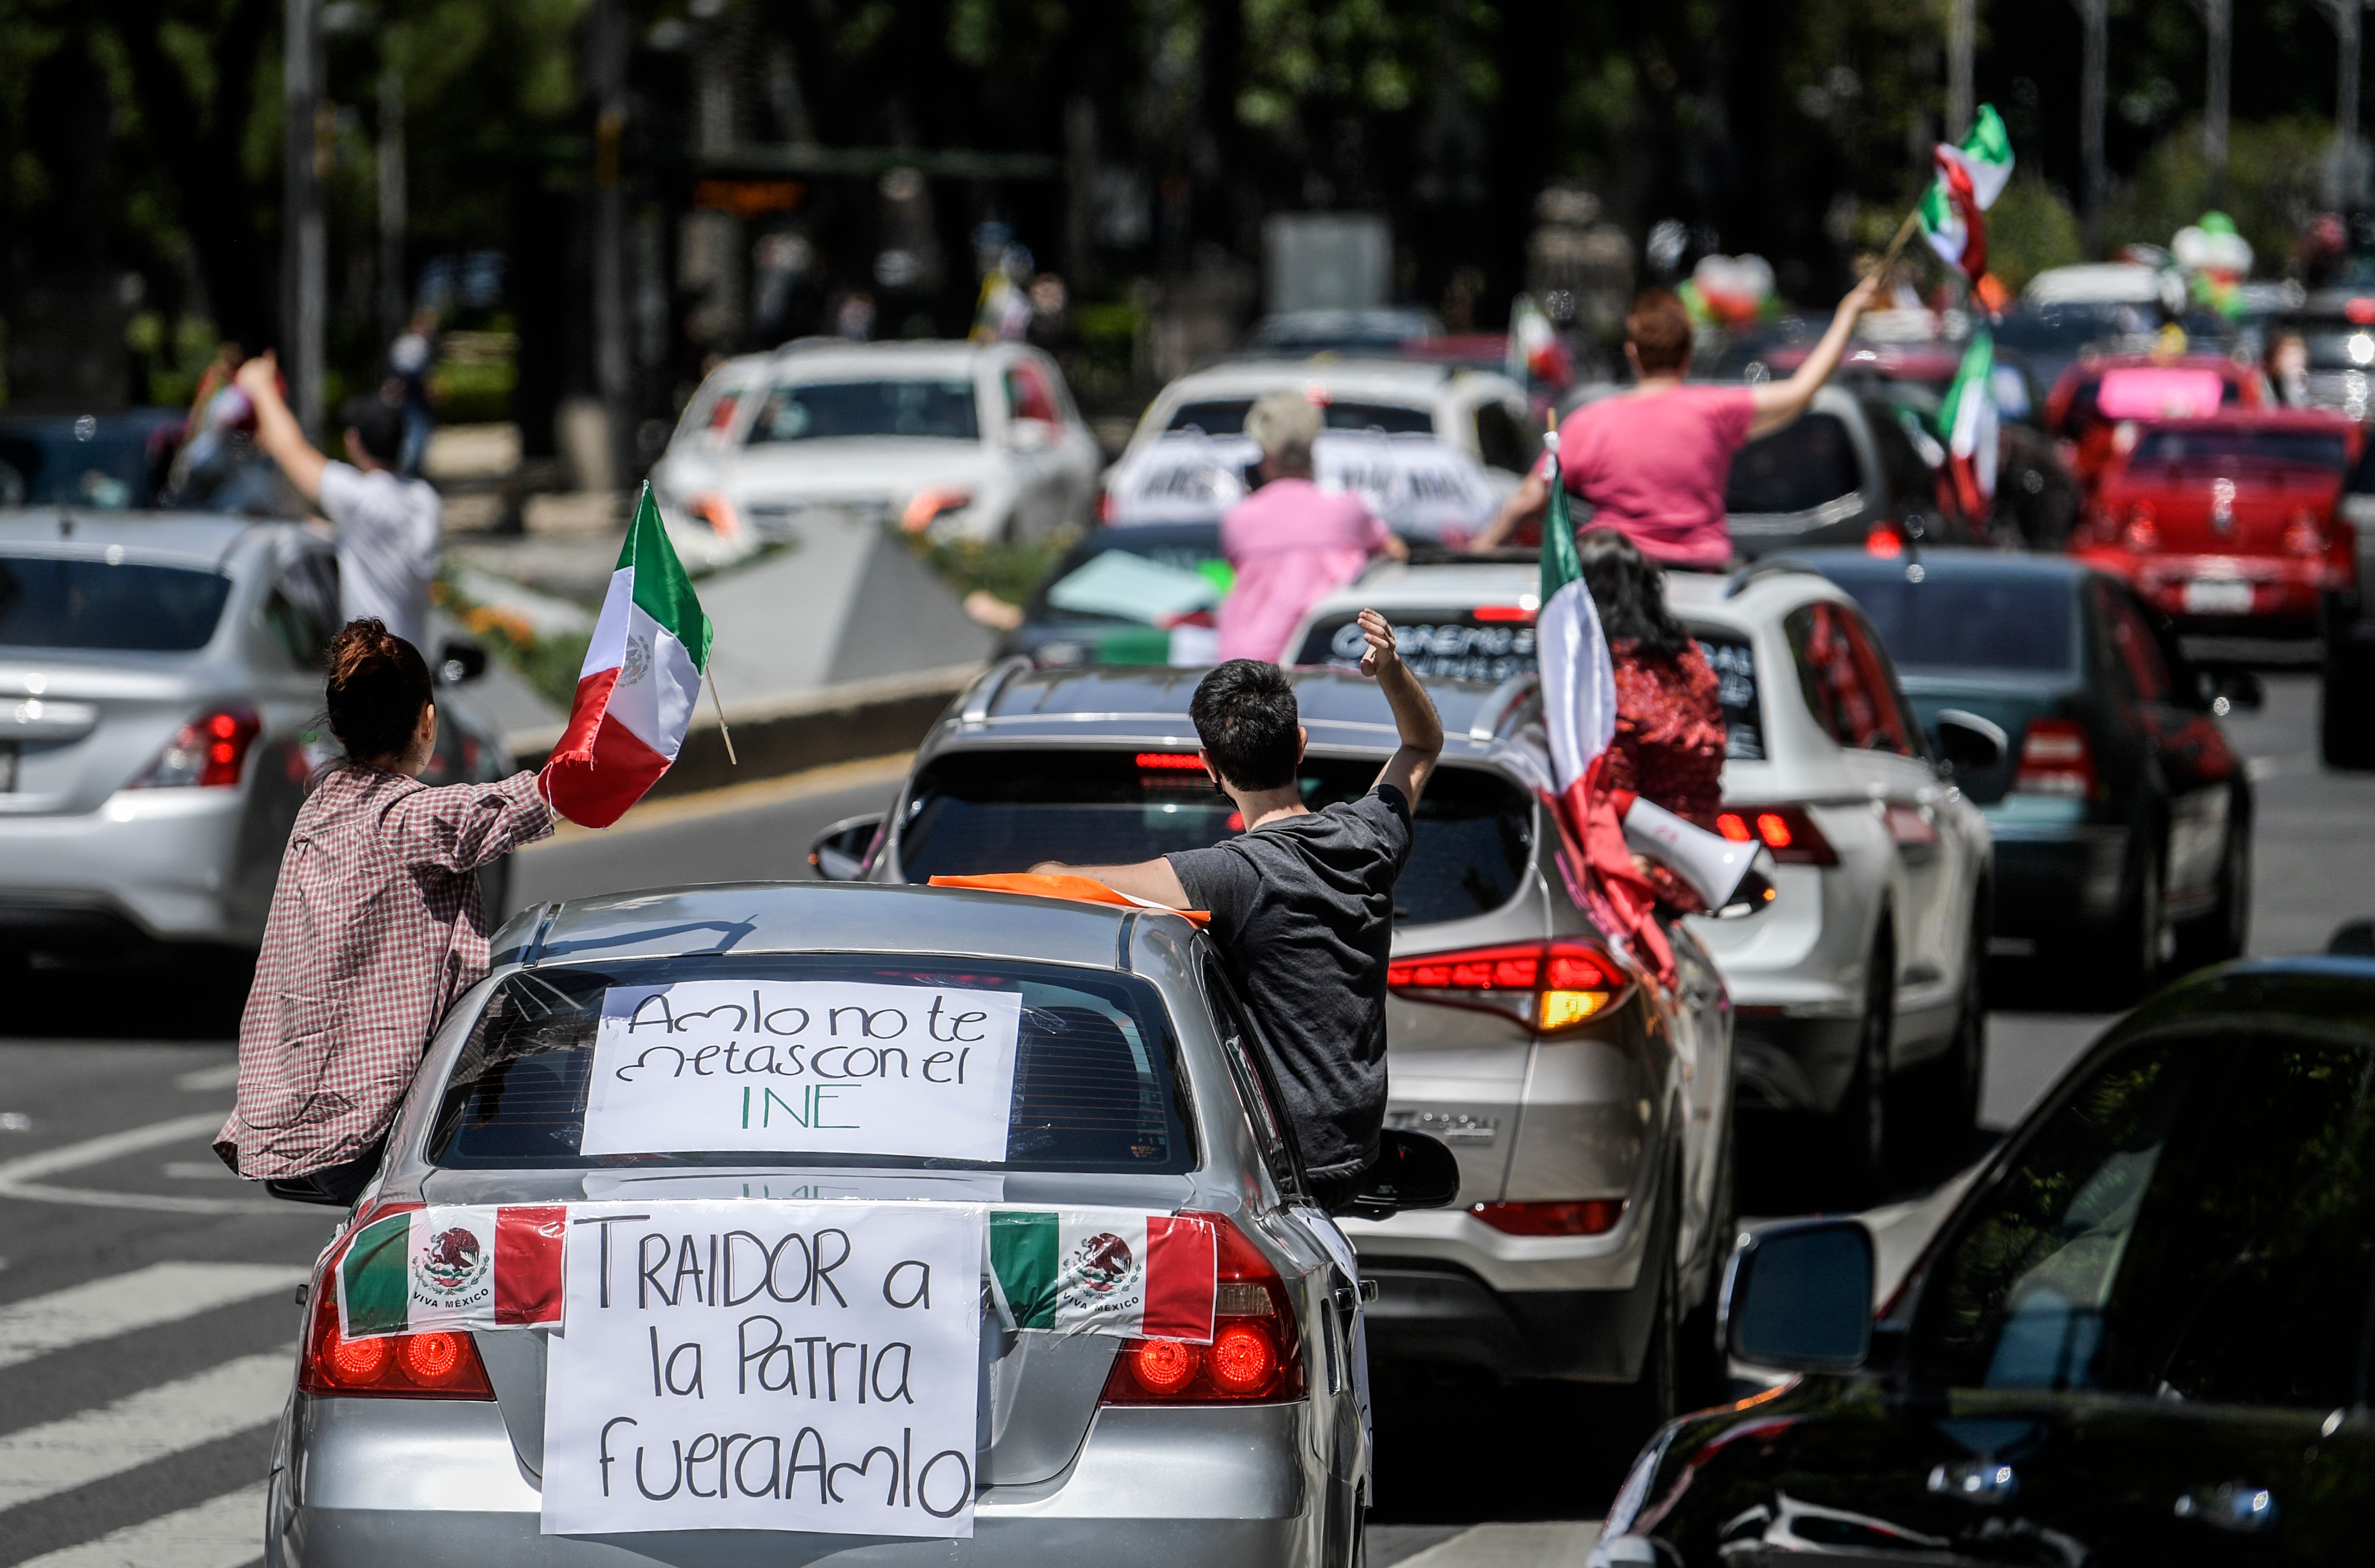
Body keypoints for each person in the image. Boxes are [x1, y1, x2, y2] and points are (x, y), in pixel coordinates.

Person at [1027, 612, 1442, 1207]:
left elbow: (1060, 888)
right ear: (1300, 746)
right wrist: (1392, 673)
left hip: (1275, 1165)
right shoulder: (1368, 836)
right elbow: (1422, 743)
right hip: (1355, 1148)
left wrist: (1050, 871)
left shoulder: (1225, 875)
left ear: (1210, 766)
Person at [214, 620, 554, 1203]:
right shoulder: (406, 818)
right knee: (547, 1095)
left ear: (340, 726)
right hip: (365, 1125)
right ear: (427, 720)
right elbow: (548, 793)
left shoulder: (321, 807)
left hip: (292, 1114)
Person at [1471, 274, 1882, 567]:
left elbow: (1527, 499)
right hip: (1700, 576)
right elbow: (1800, 392)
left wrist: (1475, 552)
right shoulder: (1715, 412)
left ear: (1633, 354)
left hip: (1614, 581)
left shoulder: (1588, 422)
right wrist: (1847, 312)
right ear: (1687, 354)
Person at [237, 351, 442, 653]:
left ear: (354, 442)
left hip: (372, 669)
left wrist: (262, 388)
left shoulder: (359, 499)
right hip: (413, 666)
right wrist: (336, 533)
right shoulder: (425, 499)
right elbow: (384, 542)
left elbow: (291, 450)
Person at [1217, 392, 1408, 663]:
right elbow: (1395, 550)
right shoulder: (1346, 510)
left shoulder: (1239, 519)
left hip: (1246, 662)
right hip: (1324, 658)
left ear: (1267, 460)